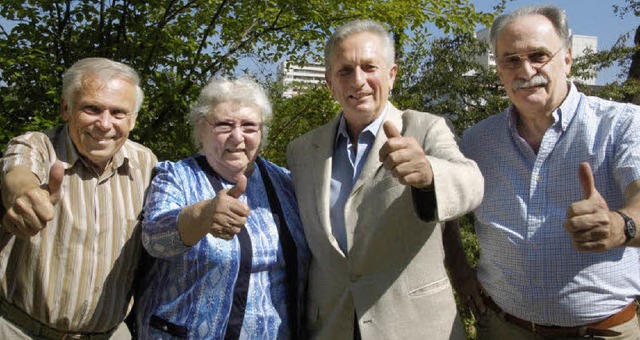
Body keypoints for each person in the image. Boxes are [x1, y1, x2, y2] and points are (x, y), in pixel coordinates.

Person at [286, 19, 484, 339]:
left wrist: (430, 174)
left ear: (391, 75)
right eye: (345, 71)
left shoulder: (424, 128)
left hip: (414, 326)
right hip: (330, 326)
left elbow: (471, 183)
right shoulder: (302, 151)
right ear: (329, 83)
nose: (358, 80)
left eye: (369, 67)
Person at [457, 4, 640, 339]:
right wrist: (458, 270)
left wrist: (619, 225)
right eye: (510, 59)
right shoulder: (477, 141)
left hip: (600, 332)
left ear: (567, 59)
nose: (525, 70)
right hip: (503, 328)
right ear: (499, 70)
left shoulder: (623, 124)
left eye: (538, 55)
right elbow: (441, 210)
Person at [135, 77, 310, 339]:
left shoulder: (285, 182)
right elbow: (155, 239)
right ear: (200, 129)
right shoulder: (176, 176)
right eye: (224, 125)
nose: (237, 136)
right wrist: (203, 216)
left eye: (249, 126)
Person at [0, 57, 157, 339]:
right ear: (66, 108)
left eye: (118, 113)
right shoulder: (38, 146)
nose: (105, 124)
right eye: (92, 108)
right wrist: (24, 195)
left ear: (133, 120)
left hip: (109, 334)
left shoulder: (146, 164)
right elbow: (18, 174)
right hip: (20, 330)